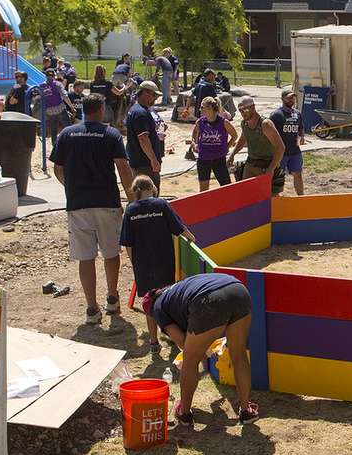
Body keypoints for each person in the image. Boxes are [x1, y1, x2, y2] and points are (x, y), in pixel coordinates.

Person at [49, 93, 134, 325]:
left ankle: (91, 308)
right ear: (101, 108)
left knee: (85, 257)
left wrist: (72, 186)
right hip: (106, 202)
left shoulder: (67, 134)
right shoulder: (111, 134)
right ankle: (112, 298)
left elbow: (57, 168)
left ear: (84, 109)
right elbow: (123, 168)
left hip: (78, 204)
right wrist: (132, 198)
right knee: (111, 253)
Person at [142, 272, 260, 425]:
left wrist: (202, 349)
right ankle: (246, 411)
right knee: (238, 354)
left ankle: (184, 413)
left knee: (190, 360)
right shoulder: (178, 289)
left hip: (209, 300)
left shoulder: (157, 307)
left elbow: (183, 344)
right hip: (238, 290)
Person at [120, 175, 196, 353]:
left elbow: (127, 243)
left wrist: (134, 263)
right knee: (167, 298)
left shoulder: (130, 210)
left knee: (149, 302)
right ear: (152, 188)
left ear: (135, 191)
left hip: (143, 264)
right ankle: (174, 335)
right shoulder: (161, 205)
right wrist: (192, 238)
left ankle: (153, 341)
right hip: (164, 260)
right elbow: (178, 227)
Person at [228, 96, 284, 195]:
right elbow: (243, 139)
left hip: (265, 166)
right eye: (240, 110)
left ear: (253, 107)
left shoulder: (265, 124)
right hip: (250, 164)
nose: (242, 113)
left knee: (269, 197)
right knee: (247, 195)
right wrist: (232, 154)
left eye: (244, 109)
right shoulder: (244, 124)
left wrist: (271, 169)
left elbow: (280, 147)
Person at [125, 80, 165, 193]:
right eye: (154, 95)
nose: (156, 98)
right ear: (145, 93)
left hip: (139, 161)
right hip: (144, 164)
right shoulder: (140, 113)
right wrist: (153, 159)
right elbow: (143, 138)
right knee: (149, 195)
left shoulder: (136, 110)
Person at [193, 96, 238, 191]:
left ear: (210, 108)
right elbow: (194, 133)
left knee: (226, 186)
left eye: (202, 107)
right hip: (203, 158)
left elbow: (234, 135)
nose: (200, 109)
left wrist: (227, 147)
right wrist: (195, 143)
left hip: (219, 158)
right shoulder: (200, 122)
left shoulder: (223, 122)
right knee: (204, 189)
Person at [270, 87, 306, 195]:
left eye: (293, 98)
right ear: (282, 99)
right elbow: (269, 131)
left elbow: (301, 127)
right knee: (279, 175)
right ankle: (276, 196)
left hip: (295, 151)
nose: (291, 100)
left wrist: (302, 136)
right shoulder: (276, 115)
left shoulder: (297, 114)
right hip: (281, 153)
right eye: (288, 98)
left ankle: (301, 197)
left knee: (298, 173)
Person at [39, 69, 77, 143]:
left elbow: (37, 98)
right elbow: (65, 96)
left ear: (45, 76)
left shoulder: (41, 86)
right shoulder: (58, 84)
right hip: (60, 109)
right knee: (68, 126)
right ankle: (72, 142)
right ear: (54, 76)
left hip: (49, 111)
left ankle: (55, 145)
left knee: (54, 129)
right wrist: (72, 107)